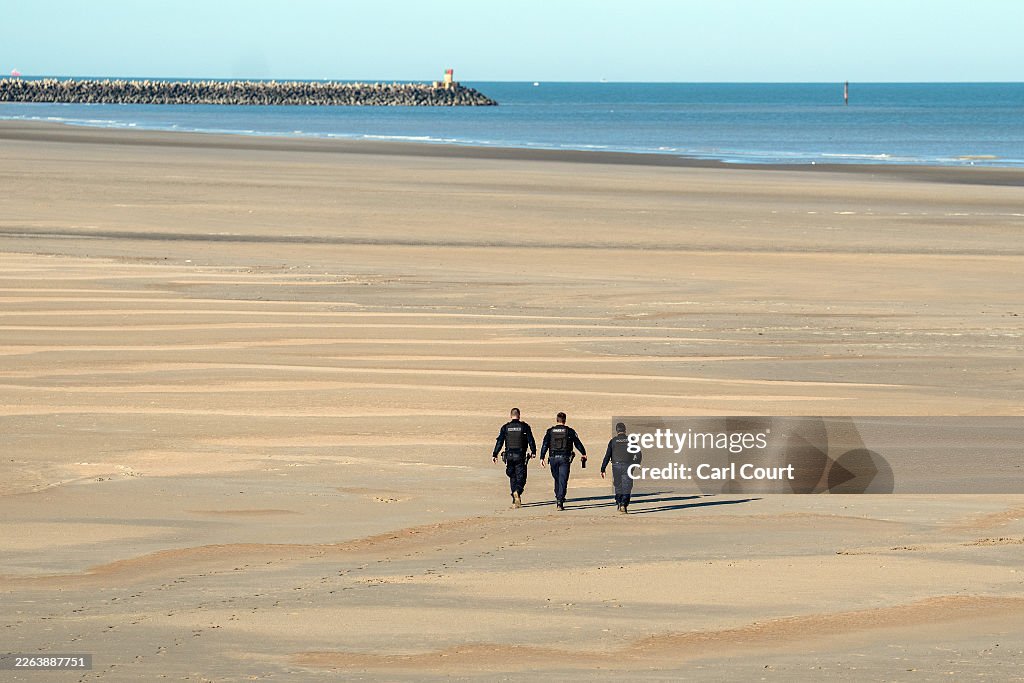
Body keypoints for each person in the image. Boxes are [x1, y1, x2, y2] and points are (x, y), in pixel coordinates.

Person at [540, 412, 586, 511]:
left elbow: (545, 444)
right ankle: (560, 500)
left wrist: (542, 457)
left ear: (557, 420)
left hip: (553, 458)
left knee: (557, 479)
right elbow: (577, 443)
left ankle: (558, 497)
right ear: (565, 420)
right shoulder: (570, 431)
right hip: (564, 459)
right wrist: (583, 453)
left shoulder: (550, 431)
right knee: (562, 480)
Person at [492, 407, 536, 508]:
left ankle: (514, 501)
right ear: (519, 415)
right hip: (520, 456)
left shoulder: (505, 427)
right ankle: (517, 492)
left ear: (510, 416)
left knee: (512, 477)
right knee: (522, 478)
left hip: (509, 456)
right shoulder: (524, 427)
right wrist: (533, 451)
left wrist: (495, 454)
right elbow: (531, 440)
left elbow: (499, 442)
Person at [601, 422, 641, 513]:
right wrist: (636, 463)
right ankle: (623, 504)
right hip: (628, 465)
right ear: (625, 430)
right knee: (627, 486)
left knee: (618, 485)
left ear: (617, 431)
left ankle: (619, 502)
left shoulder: (613, 441)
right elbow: (638, 453)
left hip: (616, 466)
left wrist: (603, 468)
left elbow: (607, 456)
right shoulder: (631, 440)